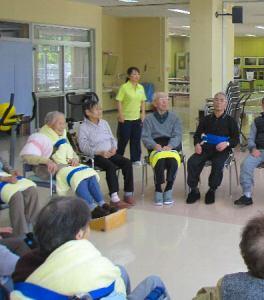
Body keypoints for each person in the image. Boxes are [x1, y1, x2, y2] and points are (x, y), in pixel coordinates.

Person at [11, 196, 170, 299]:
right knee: (154, 282)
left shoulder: (24, 266)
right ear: (79, 234)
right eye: (87, 227)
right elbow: (114, 286)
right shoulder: (98, 267)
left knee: (120, 269)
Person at [20, 111, 113, 219]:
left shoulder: (62, 134)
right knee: (79, 177)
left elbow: (70, 151)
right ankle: (91, 208)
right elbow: (26, 156)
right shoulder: (40, 136)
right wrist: (46, 161)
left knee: (89, 173)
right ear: (50, 124)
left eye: (64, 123)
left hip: (66, 164)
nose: (63, 126)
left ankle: (102, 204)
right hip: (48, 168)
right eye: (60, 123)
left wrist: (74, 158)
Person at [78, 98, 134, 208]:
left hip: (110, 153)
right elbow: (83, 147)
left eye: (100, 109)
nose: (100, 111)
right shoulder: (83, 127)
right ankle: (114, 197)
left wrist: (114, 148)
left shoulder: (104, 123)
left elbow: (112, 138)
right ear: (88, 112)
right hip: (96, 156)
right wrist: (99, 152)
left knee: (127, 162)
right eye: (96, 109)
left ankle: (128, 193)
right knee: (110, 166)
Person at [186, 92, 239, 205]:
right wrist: (197, 144)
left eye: (221, 100)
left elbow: (236, 139)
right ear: (213, 103)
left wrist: (227, 144)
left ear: (225, 104)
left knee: (218, 164)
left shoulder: (231, 121)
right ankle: (194, 189)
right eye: (216, 100)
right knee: (192, 162)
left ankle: (212, 190)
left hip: (222, 150)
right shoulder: (206, 119)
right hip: (205, 147)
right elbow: (197, 135)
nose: (218, 102)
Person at [142, 92, 182, 205]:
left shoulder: (175, 118)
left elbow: (177, 135)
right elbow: (145, 137)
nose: (165, 102)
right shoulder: (148, 119)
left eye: (167, 99)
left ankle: (169, 188)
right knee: (159, 161)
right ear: (155, 103)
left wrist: (170, 146)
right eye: (161, 99)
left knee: (173, 161)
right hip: (156, 145)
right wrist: (154, 145)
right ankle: (158, 189)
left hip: (171, 144)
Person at [0, 156, 40, 236]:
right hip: (3, 179)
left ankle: (36, 227)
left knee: (31, 190)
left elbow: (5, 165)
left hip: (6, 177)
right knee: (16, 196)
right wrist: (3, 178)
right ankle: (20, 234)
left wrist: (12, 172)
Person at [116, 66, 147, 165]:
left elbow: (143, 101)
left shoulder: (141, 87)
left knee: (136, 139)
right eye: (134, 74)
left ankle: (135, 159)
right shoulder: (124, 87)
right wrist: (120, 114)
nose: (136, 76)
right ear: (129, 76)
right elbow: (119, 101)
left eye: (138, 74)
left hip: (136, 118)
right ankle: (118, 157)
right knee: (123, 139)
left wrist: (143, 113)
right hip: (126, 118)